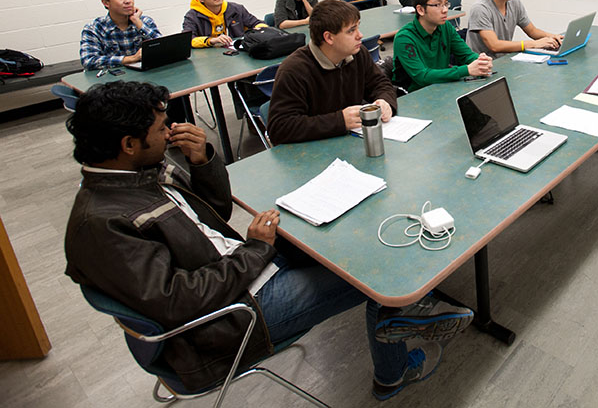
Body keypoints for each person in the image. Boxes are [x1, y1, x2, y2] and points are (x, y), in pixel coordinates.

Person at [63, 81, 473, 400]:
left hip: (236, 268)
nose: (169, 132)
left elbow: (215, 213)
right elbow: (177, 302)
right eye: (159, 129)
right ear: (128, 144)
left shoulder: (141, 174)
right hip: (230, 319)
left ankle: (403, 312)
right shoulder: (101, 224)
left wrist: (203, 159)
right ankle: (393, 371)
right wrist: (257, 250)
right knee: (378, 272)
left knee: (340, 236)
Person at [267, 0, 397, 144]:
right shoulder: (294, 70)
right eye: (351, 31)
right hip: (313, 153)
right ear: (329, 37)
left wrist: (385, 101)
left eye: (358, 28)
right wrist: (340, 121)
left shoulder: (358, 54)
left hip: (350, 144)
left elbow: (380, 83)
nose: (360, 35)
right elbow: (280, 128)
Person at [393, 0, 492, 92]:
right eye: (438, 5)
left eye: (446, 4)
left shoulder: (445, 27)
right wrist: (467, 70)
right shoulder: (404, 38)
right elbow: (422, 76)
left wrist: (480, 61)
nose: (445, 10)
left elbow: (466, 55)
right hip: (413, 95)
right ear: (420, 10)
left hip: (440, 88)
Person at [80, 0, 161, 69]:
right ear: (106, 3)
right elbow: (88, 61)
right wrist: (131, 59)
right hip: (113, 78)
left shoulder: (145, 21)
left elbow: (164, 48)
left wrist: (138, 23)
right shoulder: (94, 28)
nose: (127, 1)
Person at [183, 0, 268, 48]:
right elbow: (189, 40)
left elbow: (257, 23)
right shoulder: (192, 16)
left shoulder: (236, 9)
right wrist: (211, 40)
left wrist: (259, 30)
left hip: (236, 51)